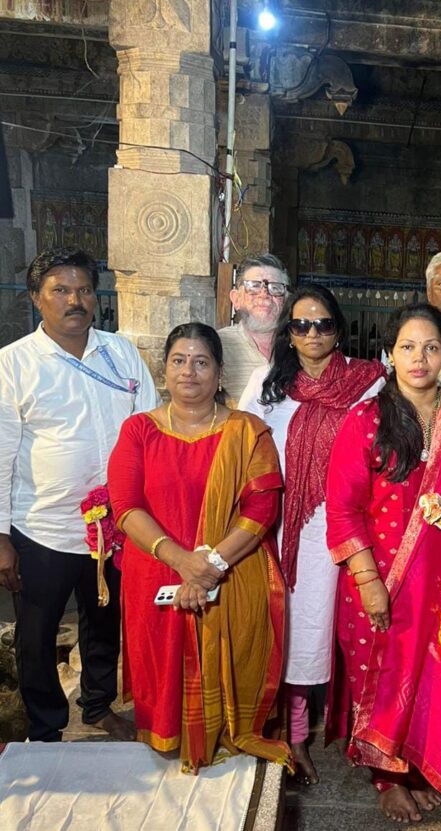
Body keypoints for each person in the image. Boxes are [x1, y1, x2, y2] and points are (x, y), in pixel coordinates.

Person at [325, 303, 441, 822]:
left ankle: (422, 766)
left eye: (431, 347)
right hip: (377, 574)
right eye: (407, 347)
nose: (419, 358)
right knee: (383, 673)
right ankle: (387, 776)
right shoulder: (367, 419)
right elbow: (342, 509)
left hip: (440, 580)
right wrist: (369, 581)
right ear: (389, 353)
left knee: (434, 675)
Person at [107, 323, 292, 773]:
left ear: (220, 373)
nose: (188, 371)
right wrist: (184, 562)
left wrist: (210, 564)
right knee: (164, 665)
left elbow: (262, 507)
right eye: (179, 360)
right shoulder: (138, 431)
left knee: (229, 660)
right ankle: (168, 736)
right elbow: (126, 506)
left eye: (201, 362)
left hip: (231, 570)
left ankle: (224, 735)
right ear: (164, 370)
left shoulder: (248, 432)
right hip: (158, 569)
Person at [0, 247, 159, 742]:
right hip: (41, 527)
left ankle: (96, 706)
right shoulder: (12, 364)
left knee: (104, 622)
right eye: (61, 290)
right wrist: (0, 537)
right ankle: (46, 726)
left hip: (115, 526)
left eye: (85, 290)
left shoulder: (121, 353)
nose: (75, 300)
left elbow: (150, 428)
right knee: (37, 633)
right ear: (36, 298)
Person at [238, 284, 386, 784]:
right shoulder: (267, 383)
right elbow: (241, 449)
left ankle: (368, 734)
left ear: (338, 330)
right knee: (297, 631)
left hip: (348, 525)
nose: (312, 333)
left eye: (323, 323)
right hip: (285, 527)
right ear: (289, 333)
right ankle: (295, 734)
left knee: (351, 630)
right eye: (301, 325)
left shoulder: (369, 383)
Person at [218, 253, 290, 403]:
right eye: (254, 286)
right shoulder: (217, 344)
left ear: (286, 301)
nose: (264, 294)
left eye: (275, 288)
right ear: (236, 299)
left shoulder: (301, 346)